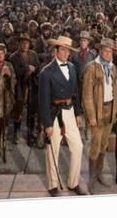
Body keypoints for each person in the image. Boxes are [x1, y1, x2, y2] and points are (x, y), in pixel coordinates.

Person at [38, 35, 89, 196]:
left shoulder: (73, 68)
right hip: (54, 114)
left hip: (70, 111)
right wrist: (47, 124)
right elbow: (43, 101)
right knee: (53, 149)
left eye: (68, 50)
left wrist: (78, 113)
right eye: (63, 49)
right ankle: (53, 184)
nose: (66, 53)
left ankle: (73, 182)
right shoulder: (46, 72)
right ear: (55, 51)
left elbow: (76, 93)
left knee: (78, 147)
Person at [82, 38, 117, 193]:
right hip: (97, 113)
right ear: (100, 51)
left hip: (109, 110)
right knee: (95, 145)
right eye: (105, 50)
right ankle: (91, 177)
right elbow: (86, 95)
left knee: (104, 144)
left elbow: (116, 91)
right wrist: (91, 115)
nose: (107, 53)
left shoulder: (112, 68)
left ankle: (99, 173)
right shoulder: (92, 67)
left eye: (110, 50)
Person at [9, 34, 40, 145]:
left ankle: (30, 134)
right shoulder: (14, 57)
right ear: (19, 44)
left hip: (32, 86)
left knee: (32, 111)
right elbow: (15, 72)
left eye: (27, 43)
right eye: (23, 43)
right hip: (20, 87)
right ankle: (16, 133)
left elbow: (38, 68)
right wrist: (27, 69)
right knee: (18, 110)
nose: (25, 45)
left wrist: (34, 71)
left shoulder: (34, 54)